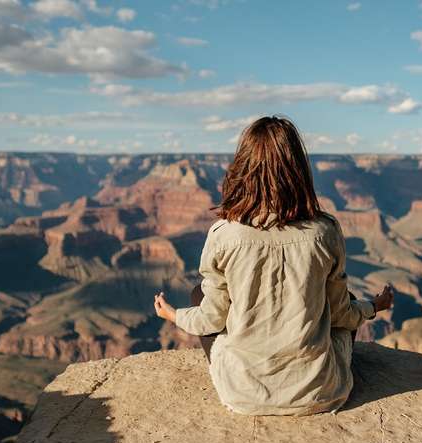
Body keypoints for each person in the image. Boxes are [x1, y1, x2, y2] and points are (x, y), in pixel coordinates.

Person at [153, 115, 393, 416]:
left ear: (243, 168)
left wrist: (174, 316)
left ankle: (248, 375)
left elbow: (212, 319)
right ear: (298, 170)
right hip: (321, 393)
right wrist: (374, 306)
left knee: (198, 297)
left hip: (243, 395)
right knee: (346, 300)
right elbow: (343, 314)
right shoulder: (325, 230)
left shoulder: (223, 234)